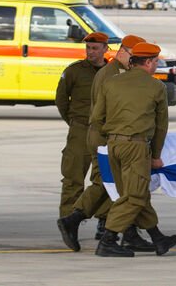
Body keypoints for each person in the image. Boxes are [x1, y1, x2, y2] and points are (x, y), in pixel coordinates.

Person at [56, 35, 155, 253]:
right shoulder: (112, 75)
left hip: (105, 134)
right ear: (123, 52)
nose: (135, 60)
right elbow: (96, 109)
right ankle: (72, 220)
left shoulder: (114, 72)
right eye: (133, 55)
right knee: (104, 183)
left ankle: (123, 230)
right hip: (102, 135)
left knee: (117, 185)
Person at [91, 42, 176, 257]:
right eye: (156, 61)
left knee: (134, 194)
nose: (156, 64)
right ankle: (108, 240)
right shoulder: (156, 87)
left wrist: (115, 135)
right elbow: (161, 127)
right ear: (148, 62)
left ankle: (157, 238)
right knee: (135, 197)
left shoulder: (111, 83)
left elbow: (96, 118)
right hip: (136, 147)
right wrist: (155, 156)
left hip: (114, 146)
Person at [55, 32, 109, 219]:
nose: (91, 52)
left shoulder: (113, 73)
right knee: (73, 178)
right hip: (80, 130)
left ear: (105, 49)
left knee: (105, 179)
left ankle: (104, 220)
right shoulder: (74, 71)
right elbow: (61, 99)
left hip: (104, 133)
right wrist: (73, 121)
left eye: (95, 48)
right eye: (88, 48)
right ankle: (68, 220)